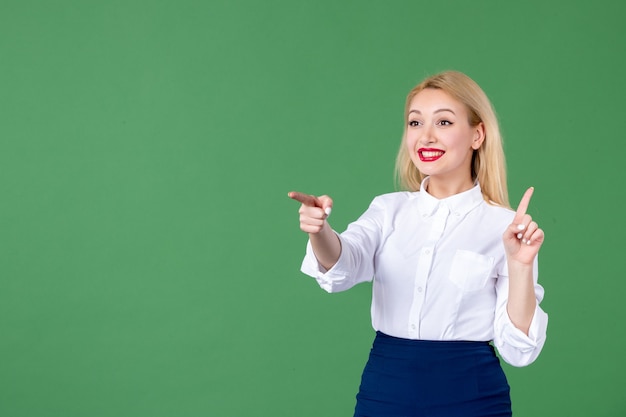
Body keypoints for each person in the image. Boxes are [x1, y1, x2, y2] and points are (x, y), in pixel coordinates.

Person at [288, 70, 548, 416]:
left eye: (443, 122)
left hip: (472, 395)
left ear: (477, 134)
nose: (425, 136)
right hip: (386, 388)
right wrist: (319, 230)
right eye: (414, 123)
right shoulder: (387, 210)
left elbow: (519, 350)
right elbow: (343, 264)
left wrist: (520, 266)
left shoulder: (506, 228)